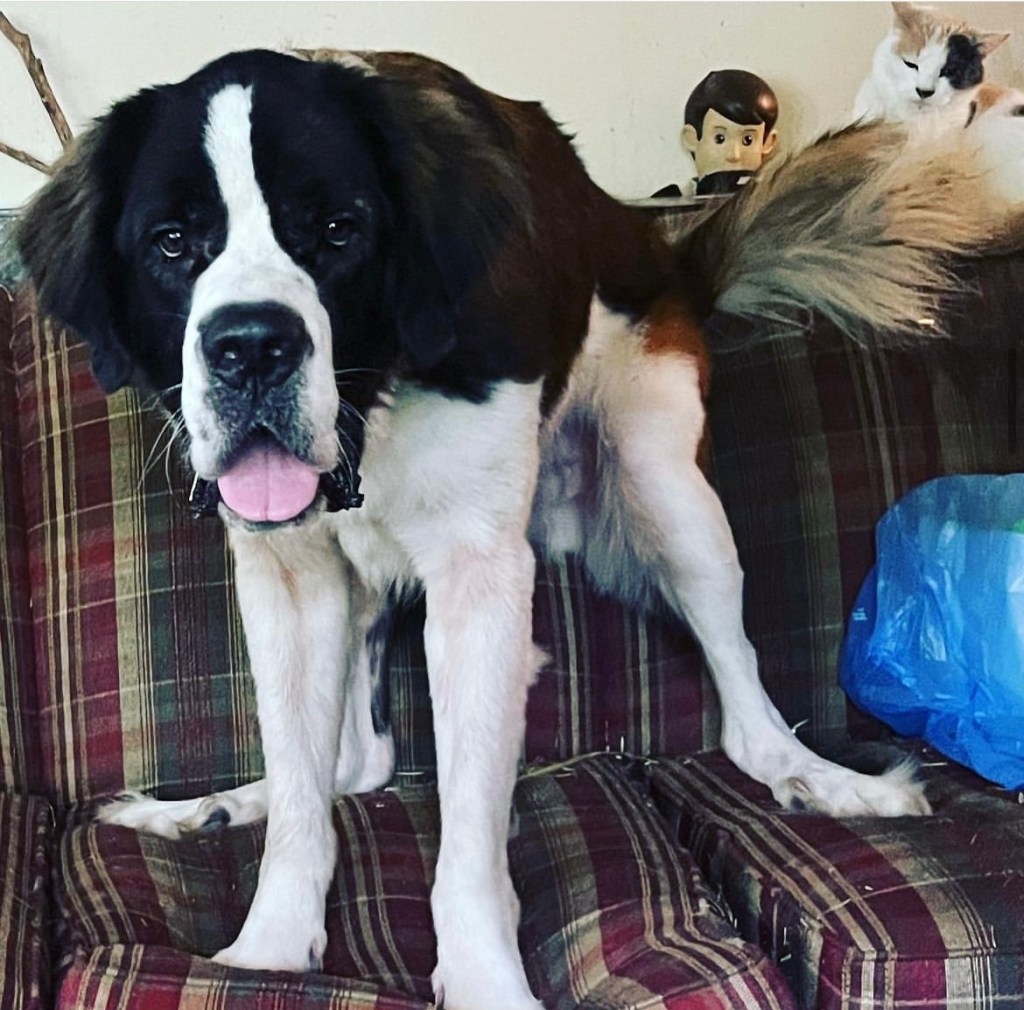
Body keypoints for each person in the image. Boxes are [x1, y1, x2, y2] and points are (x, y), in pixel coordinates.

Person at [682, 69, 779, 195]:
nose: (734, 155)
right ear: (691, 139)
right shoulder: (664, 209)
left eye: (747, 140)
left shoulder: (780, 206)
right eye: (719, 138)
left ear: (767, 143)